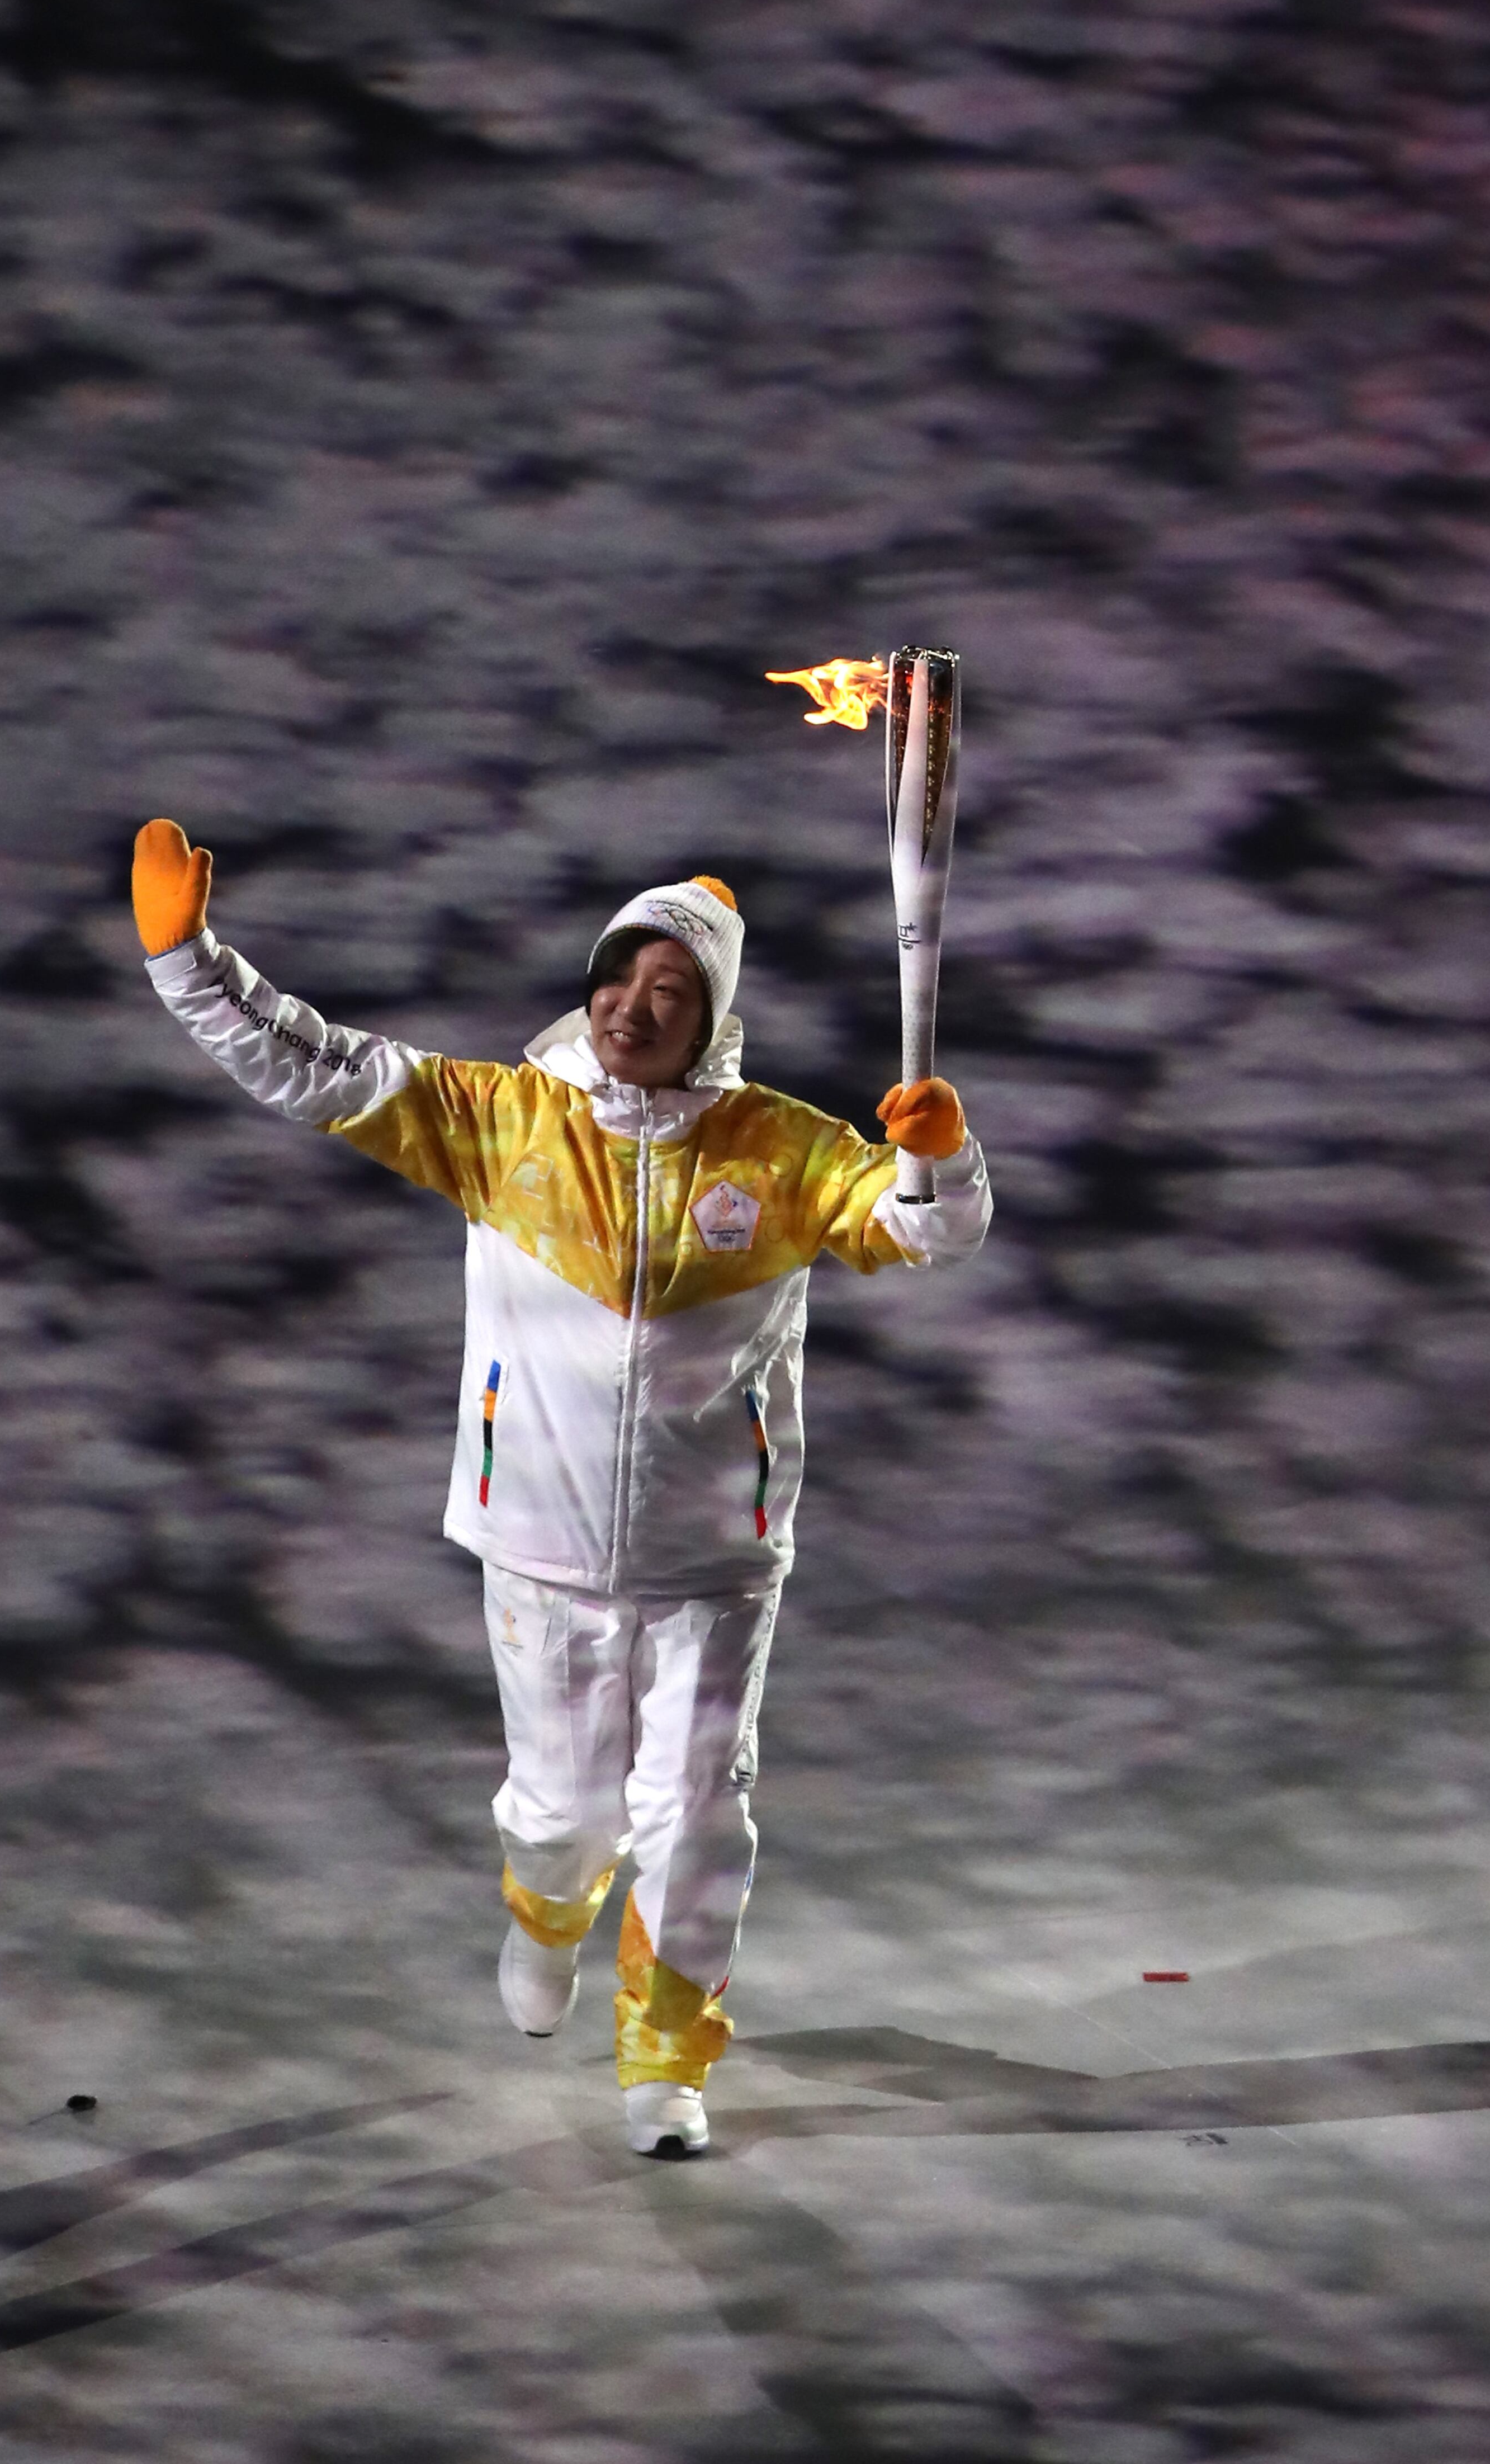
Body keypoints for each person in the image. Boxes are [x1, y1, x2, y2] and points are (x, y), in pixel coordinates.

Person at [131, 820, 991, 2157]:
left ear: (709, 1024)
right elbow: (317, 1066)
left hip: (713, 1553)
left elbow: (924, 1228)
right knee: (561, 1817)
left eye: (669, 993)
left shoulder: (779, 1153)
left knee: (698, 1814)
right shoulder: (500, 1122)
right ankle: (545, 1916)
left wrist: (940, 1154)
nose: (633, 1008)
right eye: (619, 979)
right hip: (537, 1542)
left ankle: (666, 2058)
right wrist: (188, 962)